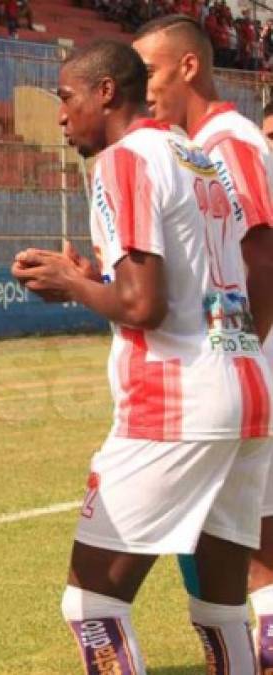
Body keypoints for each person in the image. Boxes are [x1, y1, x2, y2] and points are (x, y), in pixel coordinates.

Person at [12, 40, 273, 672]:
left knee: (91, 604)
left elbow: (144, 306)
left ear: (106, 93)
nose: (62, 117)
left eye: (67, 99)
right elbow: (201, 283)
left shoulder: (123, 160)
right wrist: (93, 278)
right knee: (222, 603)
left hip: (175, 403)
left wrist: (72, 284)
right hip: (246, 388)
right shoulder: (196, 155)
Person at [132, 15, 273, 666]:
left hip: (243, 370)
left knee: (238, 546)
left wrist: (238, 349)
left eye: (149, 74)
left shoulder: (227, 140)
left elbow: (264, 254)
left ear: (188, 67)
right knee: (247, 544)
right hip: (240, 368)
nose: (141, 90)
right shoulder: (198, 144)